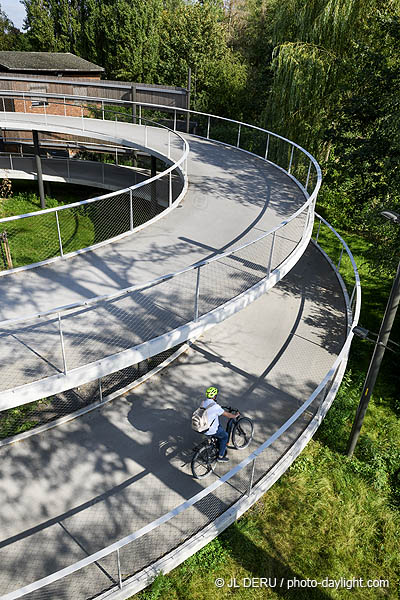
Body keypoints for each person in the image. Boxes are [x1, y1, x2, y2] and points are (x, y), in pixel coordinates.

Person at [201, 386, 239, 462]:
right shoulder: (216, 407)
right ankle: (220, 457)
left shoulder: (203, 403)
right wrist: (235, 415)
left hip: (202, 426)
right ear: (214, 396)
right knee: (225, 436)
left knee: (219, 426)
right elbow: (228, 415)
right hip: (210, 429)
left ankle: (214, 442)